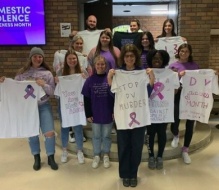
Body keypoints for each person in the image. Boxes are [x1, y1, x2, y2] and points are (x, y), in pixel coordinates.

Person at [107, 44, 155, 187]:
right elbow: (112, 93)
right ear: (123, 57)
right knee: (123, 146)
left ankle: (133, 173)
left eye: (132, 56)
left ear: (136, 58)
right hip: (123, 115)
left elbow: (148, 92)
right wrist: (110, 78)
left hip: (138, 117)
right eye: (127, 56)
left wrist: (151, 76)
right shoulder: (118, 73)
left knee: (137, 146)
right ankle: (124, 174)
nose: (129, 58)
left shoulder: (142, 72)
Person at [15, 47, 58, 171]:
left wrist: (44, 84)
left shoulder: (47, 73)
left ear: (43, 58)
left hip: (44, 106)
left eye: (40, 56)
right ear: (31, 58)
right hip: (28, 108)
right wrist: (4, 82)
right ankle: (36, 157)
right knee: (32, 133)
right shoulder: (22, 73)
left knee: (49, 132)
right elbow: (14, 88)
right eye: (35, 56)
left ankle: (51, 157)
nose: (38, 58)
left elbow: (52, 92)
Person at [145, 49, 179, 170]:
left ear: (164, 59)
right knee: (150, 134)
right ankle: (151, 156)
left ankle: (159, 156)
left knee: (161, 134)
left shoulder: (170, 73)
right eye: (154, 58)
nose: (157, 60)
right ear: (150, 60)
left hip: (163, 110)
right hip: (150, 110)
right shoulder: (145, 73)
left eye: (159, 58)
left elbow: (174, 91)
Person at [53, 35, 88, 143]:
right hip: (65, 96)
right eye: (77, 43)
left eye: (80, 43)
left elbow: (87, 80)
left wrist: (84, 76)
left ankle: (77, 134)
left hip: (77, 96)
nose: (79, 45)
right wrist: (56, 80)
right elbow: (57, 75)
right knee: (66, 115)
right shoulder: (62, 63)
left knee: (77, 114)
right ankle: (69, 133)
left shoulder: (83, 58)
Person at [82, 55, 114, 169]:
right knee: (96, 136)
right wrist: (88, 113)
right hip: (95, 113)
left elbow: (115, 96)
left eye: (103, 64)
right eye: (98, 64)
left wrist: (114, 111)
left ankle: (106, 154)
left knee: (106, 136)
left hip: (108, 112)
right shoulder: (89, 80)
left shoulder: (110, 79)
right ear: (94, 66)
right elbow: (86, 98)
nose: (100, 66)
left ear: (106, 66)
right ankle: (96, 155)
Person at [169, 43, 199, 164]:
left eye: (186, 51)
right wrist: (177, 74)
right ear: (178, 52)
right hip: (177, 96)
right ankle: (175, 135)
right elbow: (168, 81)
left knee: (190, 123)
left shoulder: (194, 65)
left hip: (191, 97)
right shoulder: (173, 65)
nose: (184, 53)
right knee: (174, 119)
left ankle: (185, 149)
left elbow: (200, 79)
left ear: (190, 53)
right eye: (182, 51)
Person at [54, 50, 86, 164]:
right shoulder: (61, 73)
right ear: (66, 60)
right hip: (64, 104)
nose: (72, 61)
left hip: (77, 104)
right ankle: (64, 150)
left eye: (74, 58)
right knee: (64, 127)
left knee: (78, 128)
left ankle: (79, 151)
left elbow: (86, 88)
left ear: (77, 60)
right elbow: (56, 92)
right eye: (69, 59)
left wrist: (84, 78)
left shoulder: (82, 72)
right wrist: (56, 81)